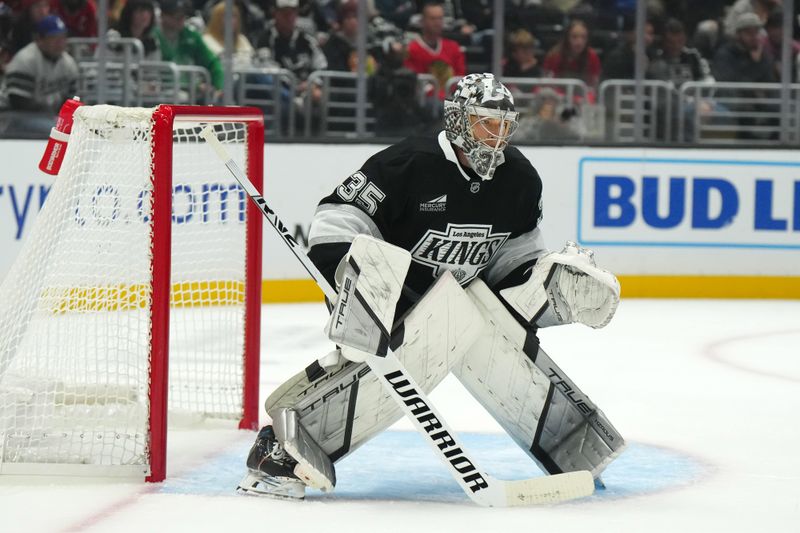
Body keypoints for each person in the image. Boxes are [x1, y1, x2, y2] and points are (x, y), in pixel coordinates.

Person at [236, 73, 623, 500]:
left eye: (503, 126)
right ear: (457, 120)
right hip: (382, 301)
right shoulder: (406, 165)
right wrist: (353, 278)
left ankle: (571, 444)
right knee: (444, 322)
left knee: (478, 318)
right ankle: (279, 449)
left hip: (456, 301)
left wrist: (545, 288)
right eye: (484, 123)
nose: (496, 137)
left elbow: (513, 260)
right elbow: (335, 219)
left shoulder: (520, 180)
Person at [0, 14, 77, 112]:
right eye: (54, 38)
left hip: (43, 117)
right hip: (8, 114)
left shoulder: (69, 64)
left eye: (62, 38)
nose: (60, 43)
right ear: (40, 40)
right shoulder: (25, 60)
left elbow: (71, 99)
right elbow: (19, 102)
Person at [154, 0, 224, 97]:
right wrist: (196, 86)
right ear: (163, 16)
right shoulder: (153, 37)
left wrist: (218, 87)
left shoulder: (191, 36)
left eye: (183, 15)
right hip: (162, 91)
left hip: (193, 92)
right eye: (176, 15)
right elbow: (164, 74)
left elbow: (212, 62)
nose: (181, 19)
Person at [404, 0, 465, 100]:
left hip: (452, 100)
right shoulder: (412, 49)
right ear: (423, 21)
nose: (437, 22)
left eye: (440, 18)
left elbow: (461, 78)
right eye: (433, 19)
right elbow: (416, 83)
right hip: (426, 103)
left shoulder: (454, 47)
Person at [542, 19, 601, 101]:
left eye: (583, 37)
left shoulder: (592, 57)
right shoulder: (554, 56)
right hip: (558, 98)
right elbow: (548, 84)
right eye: (574, 37)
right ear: (567, 38)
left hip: (582, 99)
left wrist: (583, 98)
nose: (579, 41)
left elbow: (594, 86)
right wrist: (567, 98)